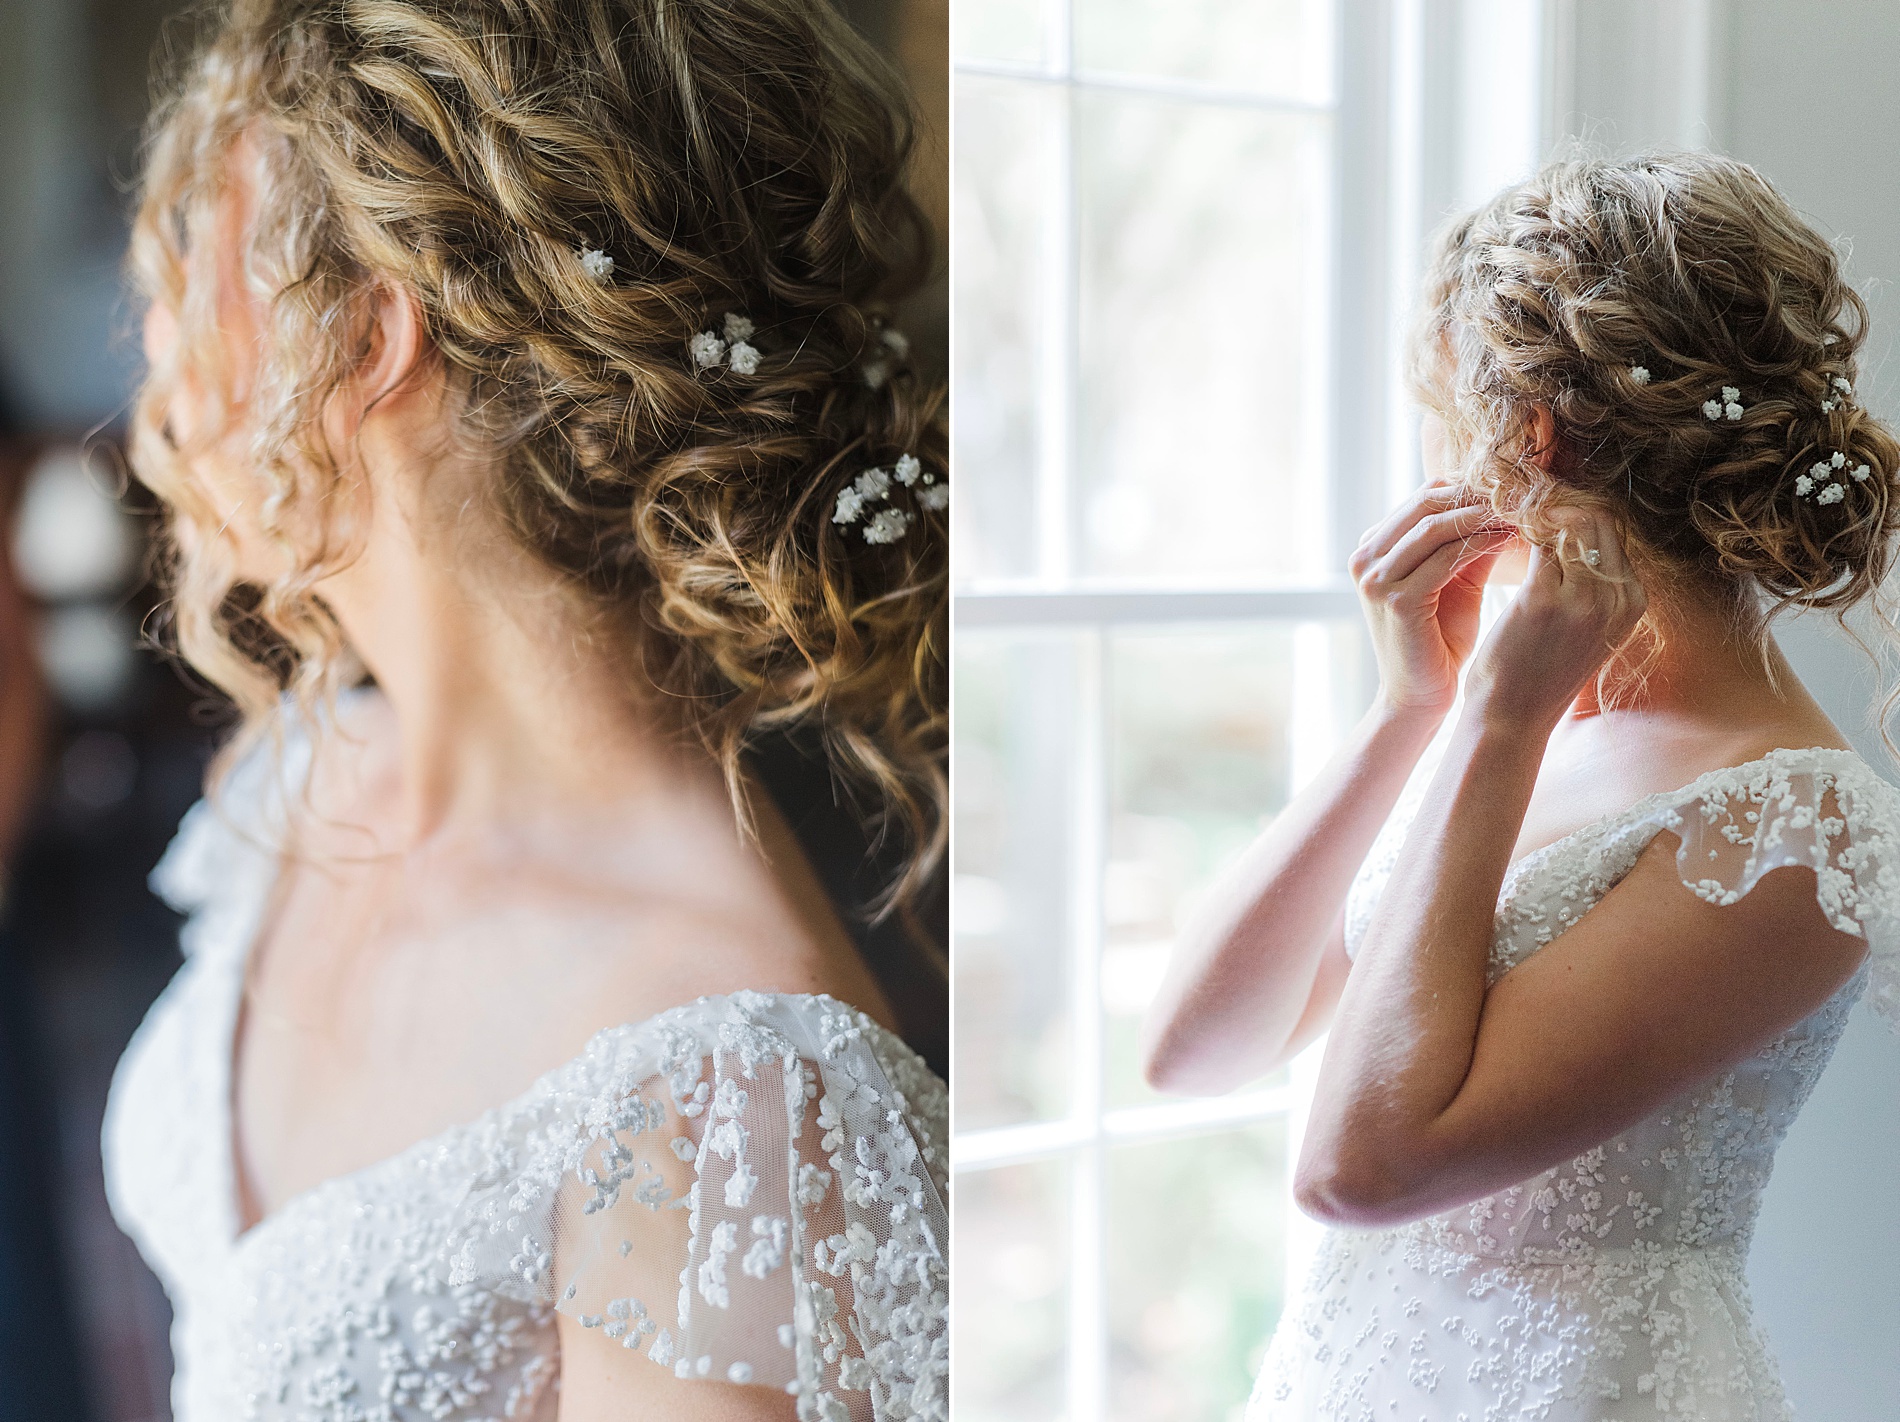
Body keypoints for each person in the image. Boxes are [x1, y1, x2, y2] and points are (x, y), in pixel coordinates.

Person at [99, 3, 947, 1420]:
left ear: (368, 336)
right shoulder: (309, 773)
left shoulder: (717, 1087)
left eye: (206, 258)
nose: (158, 332)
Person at [1140, 152, 1900, 1421]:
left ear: (1530, 438)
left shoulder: (1795, 820)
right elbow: (1196, 1051)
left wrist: (1495, 718)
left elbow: (1360, 1170)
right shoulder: (1512, 726)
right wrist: (1412, 711)